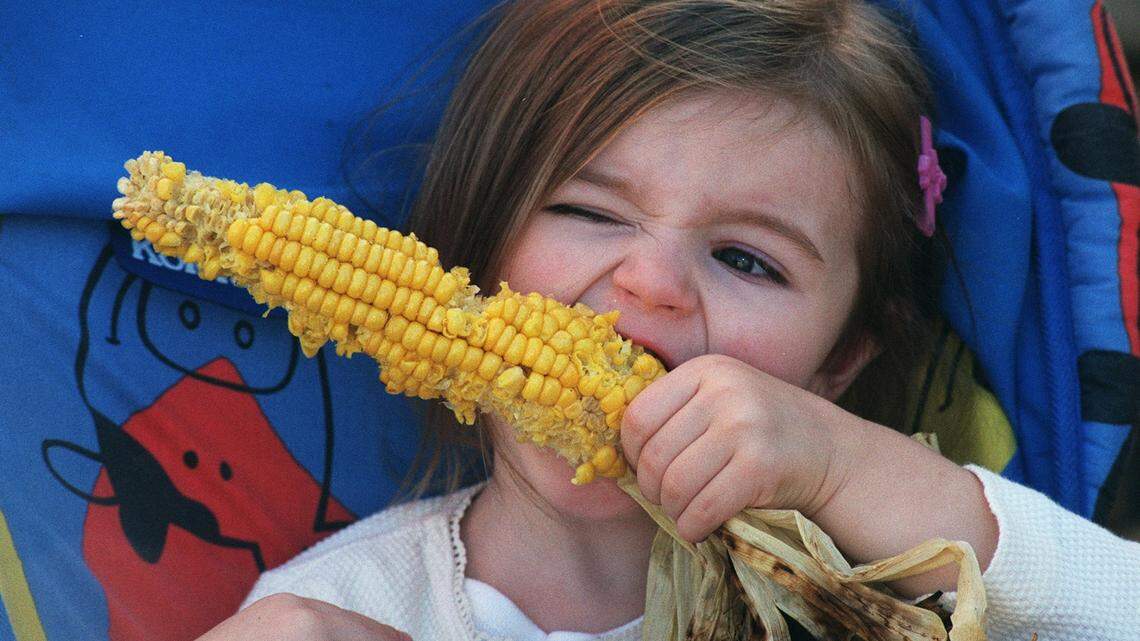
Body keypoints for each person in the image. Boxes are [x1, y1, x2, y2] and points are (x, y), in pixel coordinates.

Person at [198, 1, 1140, 639]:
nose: (650, 283)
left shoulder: (882, 580)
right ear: (480, 252)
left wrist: (850, 468)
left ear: (837, 362)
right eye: (590, 211)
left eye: (746, 259)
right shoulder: (337, 606)